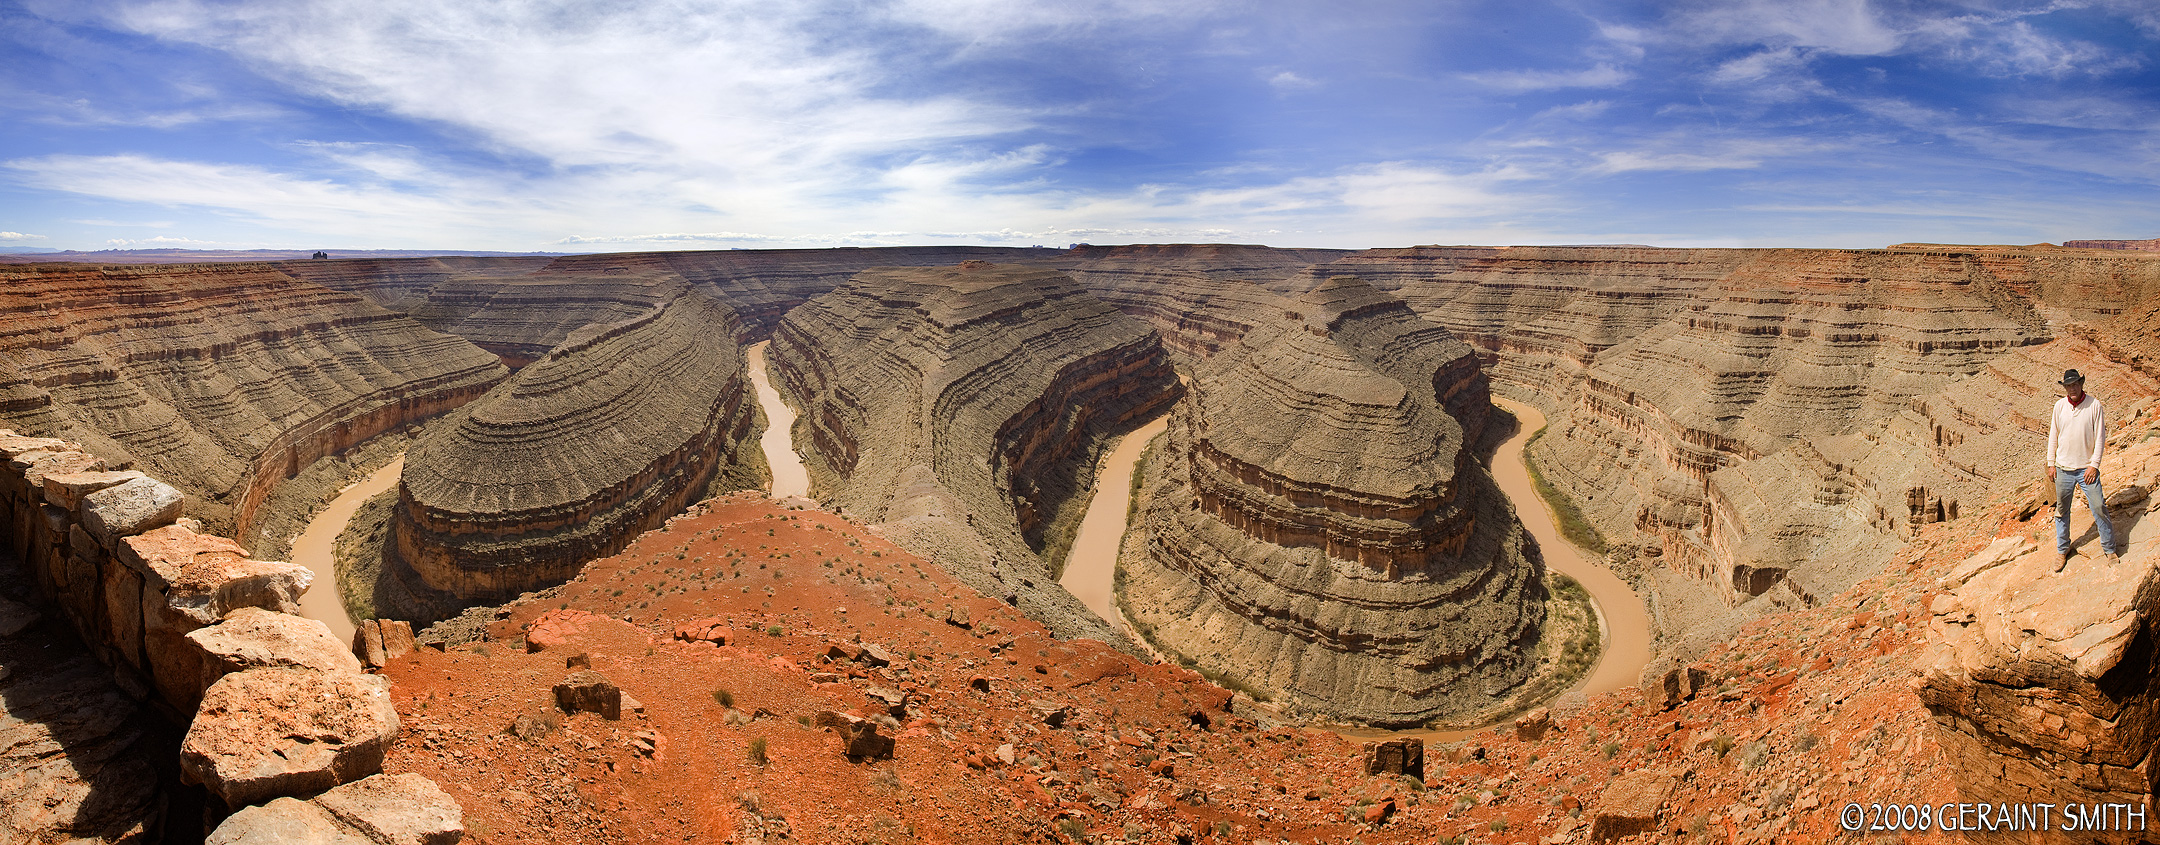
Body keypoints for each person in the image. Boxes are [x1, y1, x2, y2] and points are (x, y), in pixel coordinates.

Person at [2044, 368, 2118, 568]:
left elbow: (2100, 438)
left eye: (2075, 384)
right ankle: (2063, 550)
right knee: (2062, 511)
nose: (2072, 388)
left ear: (2082, 383)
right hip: (2063, 469)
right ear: (2065, 388)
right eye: (2068, 385)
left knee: (2099, 507)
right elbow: (2053, 436)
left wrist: (2094, 466)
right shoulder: (2059, 406)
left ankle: (2109, 549)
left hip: (2086, 470)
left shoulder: (2094, 405)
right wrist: (2051, 464)